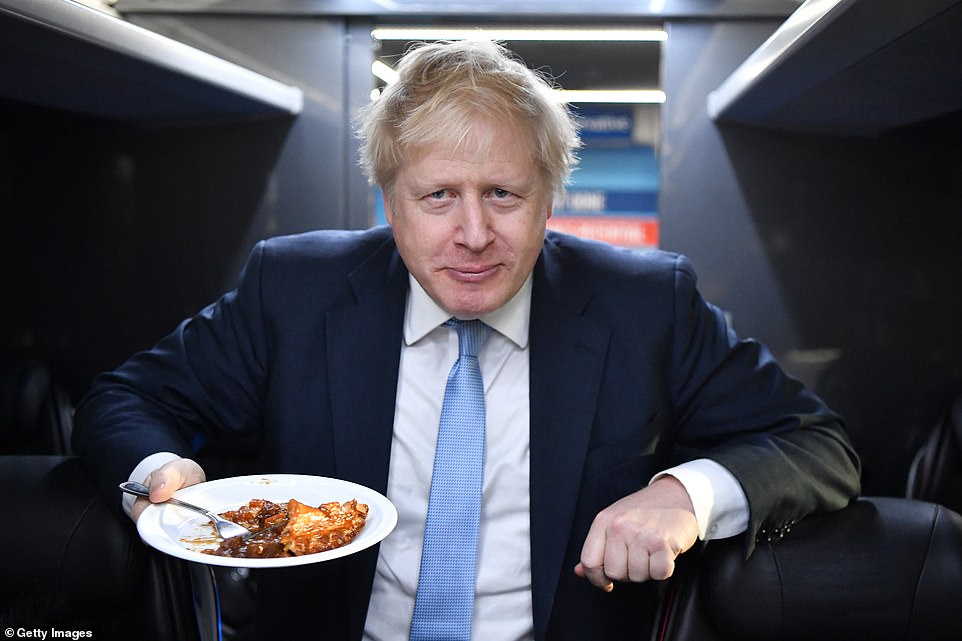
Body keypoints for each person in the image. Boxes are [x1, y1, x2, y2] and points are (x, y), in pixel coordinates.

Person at [73, 40, 860, 641]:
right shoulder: (293, 289)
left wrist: (682, 495)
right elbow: (124, 397)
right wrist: (160, 469)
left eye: (504, 195)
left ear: (550, 197)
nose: (473, 235)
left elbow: (817, 443)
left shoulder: (647, 302)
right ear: (390, 198)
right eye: (439, 195)